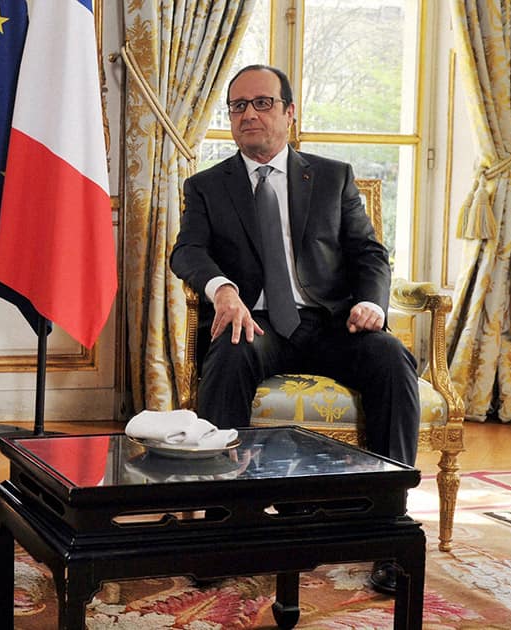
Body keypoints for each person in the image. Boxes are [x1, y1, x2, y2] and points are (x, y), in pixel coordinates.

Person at [170, 64, 420, 595]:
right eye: (238, 106)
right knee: (229, 353)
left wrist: (372, 305)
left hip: (330, 322)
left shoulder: (332, 176)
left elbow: (369, 253)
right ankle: (224, 530)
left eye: (262, 103)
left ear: (289, 113)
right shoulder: (208, 187)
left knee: (391, 357)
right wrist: (223, 289)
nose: (249, 114)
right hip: (255, 322)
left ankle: (383, 528)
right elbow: (187, 251)